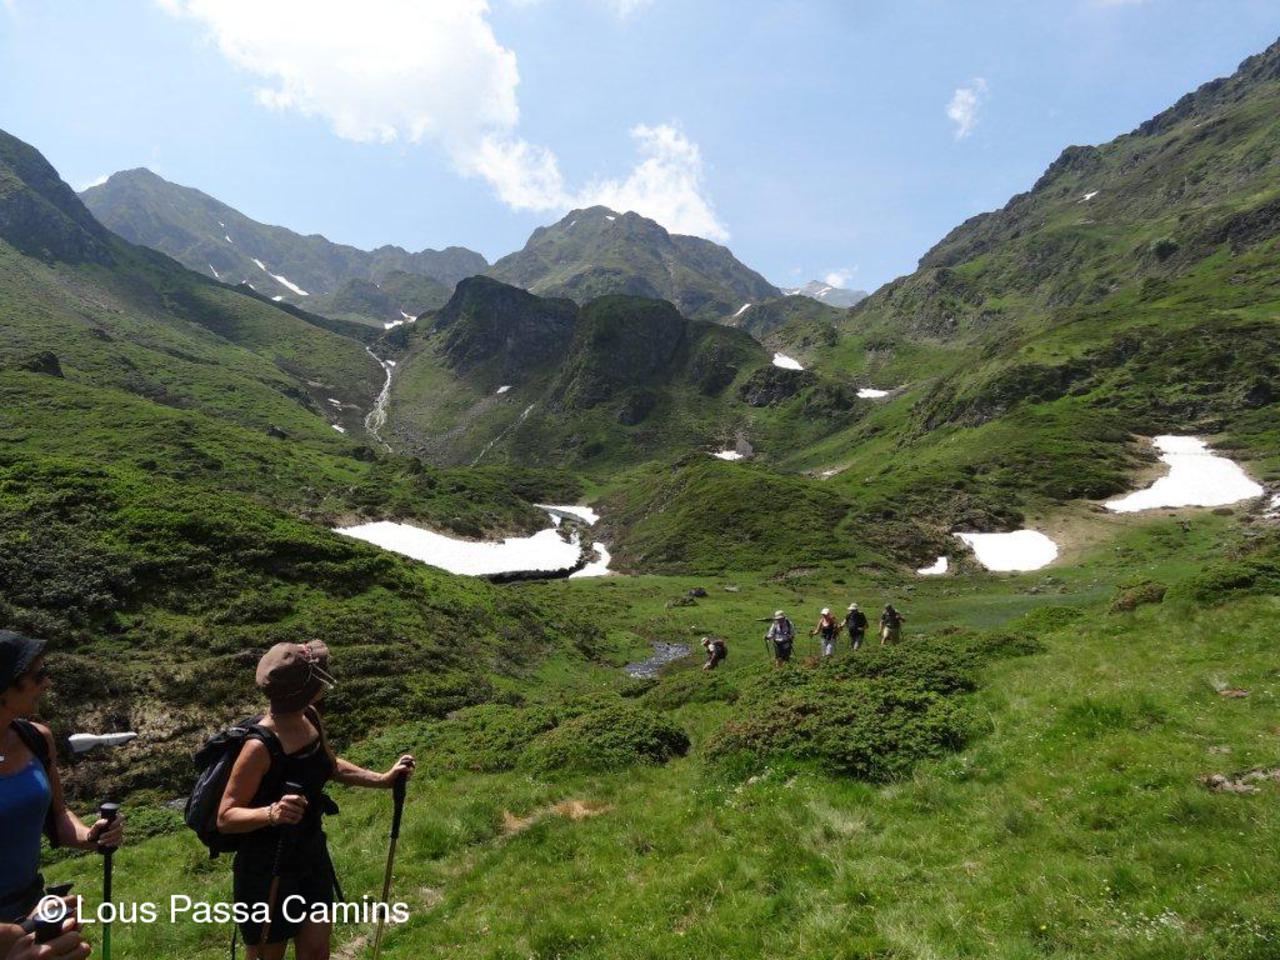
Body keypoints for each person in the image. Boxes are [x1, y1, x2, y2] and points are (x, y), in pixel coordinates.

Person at [217, 640, 415, 960]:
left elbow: (330, 765)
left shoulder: (309, 717)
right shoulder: (259, 746)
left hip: (311, 855)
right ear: (304, 688)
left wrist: (382, 779)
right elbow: (225, 817)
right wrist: (272, 813)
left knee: (317, 952)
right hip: (266, 868)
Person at [0, 631, 124, 956]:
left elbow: (57, 816)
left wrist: (91, 835)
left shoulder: (36, 739)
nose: (47, 683)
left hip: (32, 908)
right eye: (37, 675)